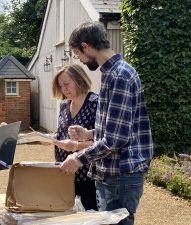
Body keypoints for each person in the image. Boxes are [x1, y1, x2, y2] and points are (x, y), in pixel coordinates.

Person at [60, 21, 154, 225]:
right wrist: (89, 134)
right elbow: (117, 125)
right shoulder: (111, 74)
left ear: (86, 46)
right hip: (111, 175)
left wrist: (77, 158)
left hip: (120, 176)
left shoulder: (119, 76)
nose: (81, 60)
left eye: (78, 54)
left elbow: (115, 139)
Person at [51, 64, 98, 210]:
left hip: (87, 174)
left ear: (79, 80)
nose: (64, 89)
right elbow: (61, 133)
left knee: (89, 215)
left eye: (66, 84)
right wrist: (49, 138)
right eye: (60, 85)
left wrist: (75, 146)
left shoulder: (95, 103)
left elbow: (103, 140)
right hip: (65, 171)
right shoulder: (64, 105)